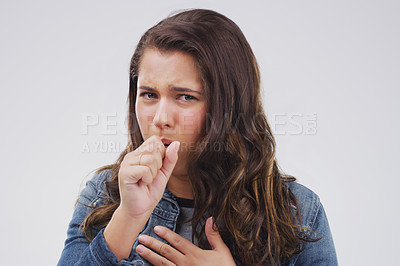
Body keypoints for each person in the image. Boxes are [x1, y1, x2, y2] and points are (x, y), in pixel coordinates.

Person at [58, 8, 337, 266]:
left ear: (228, 107)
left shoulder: (296, 213)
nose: (160, 119)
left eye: (185, 97)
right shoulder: (102, 195)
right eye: (149, 95)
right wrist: (127, 218)